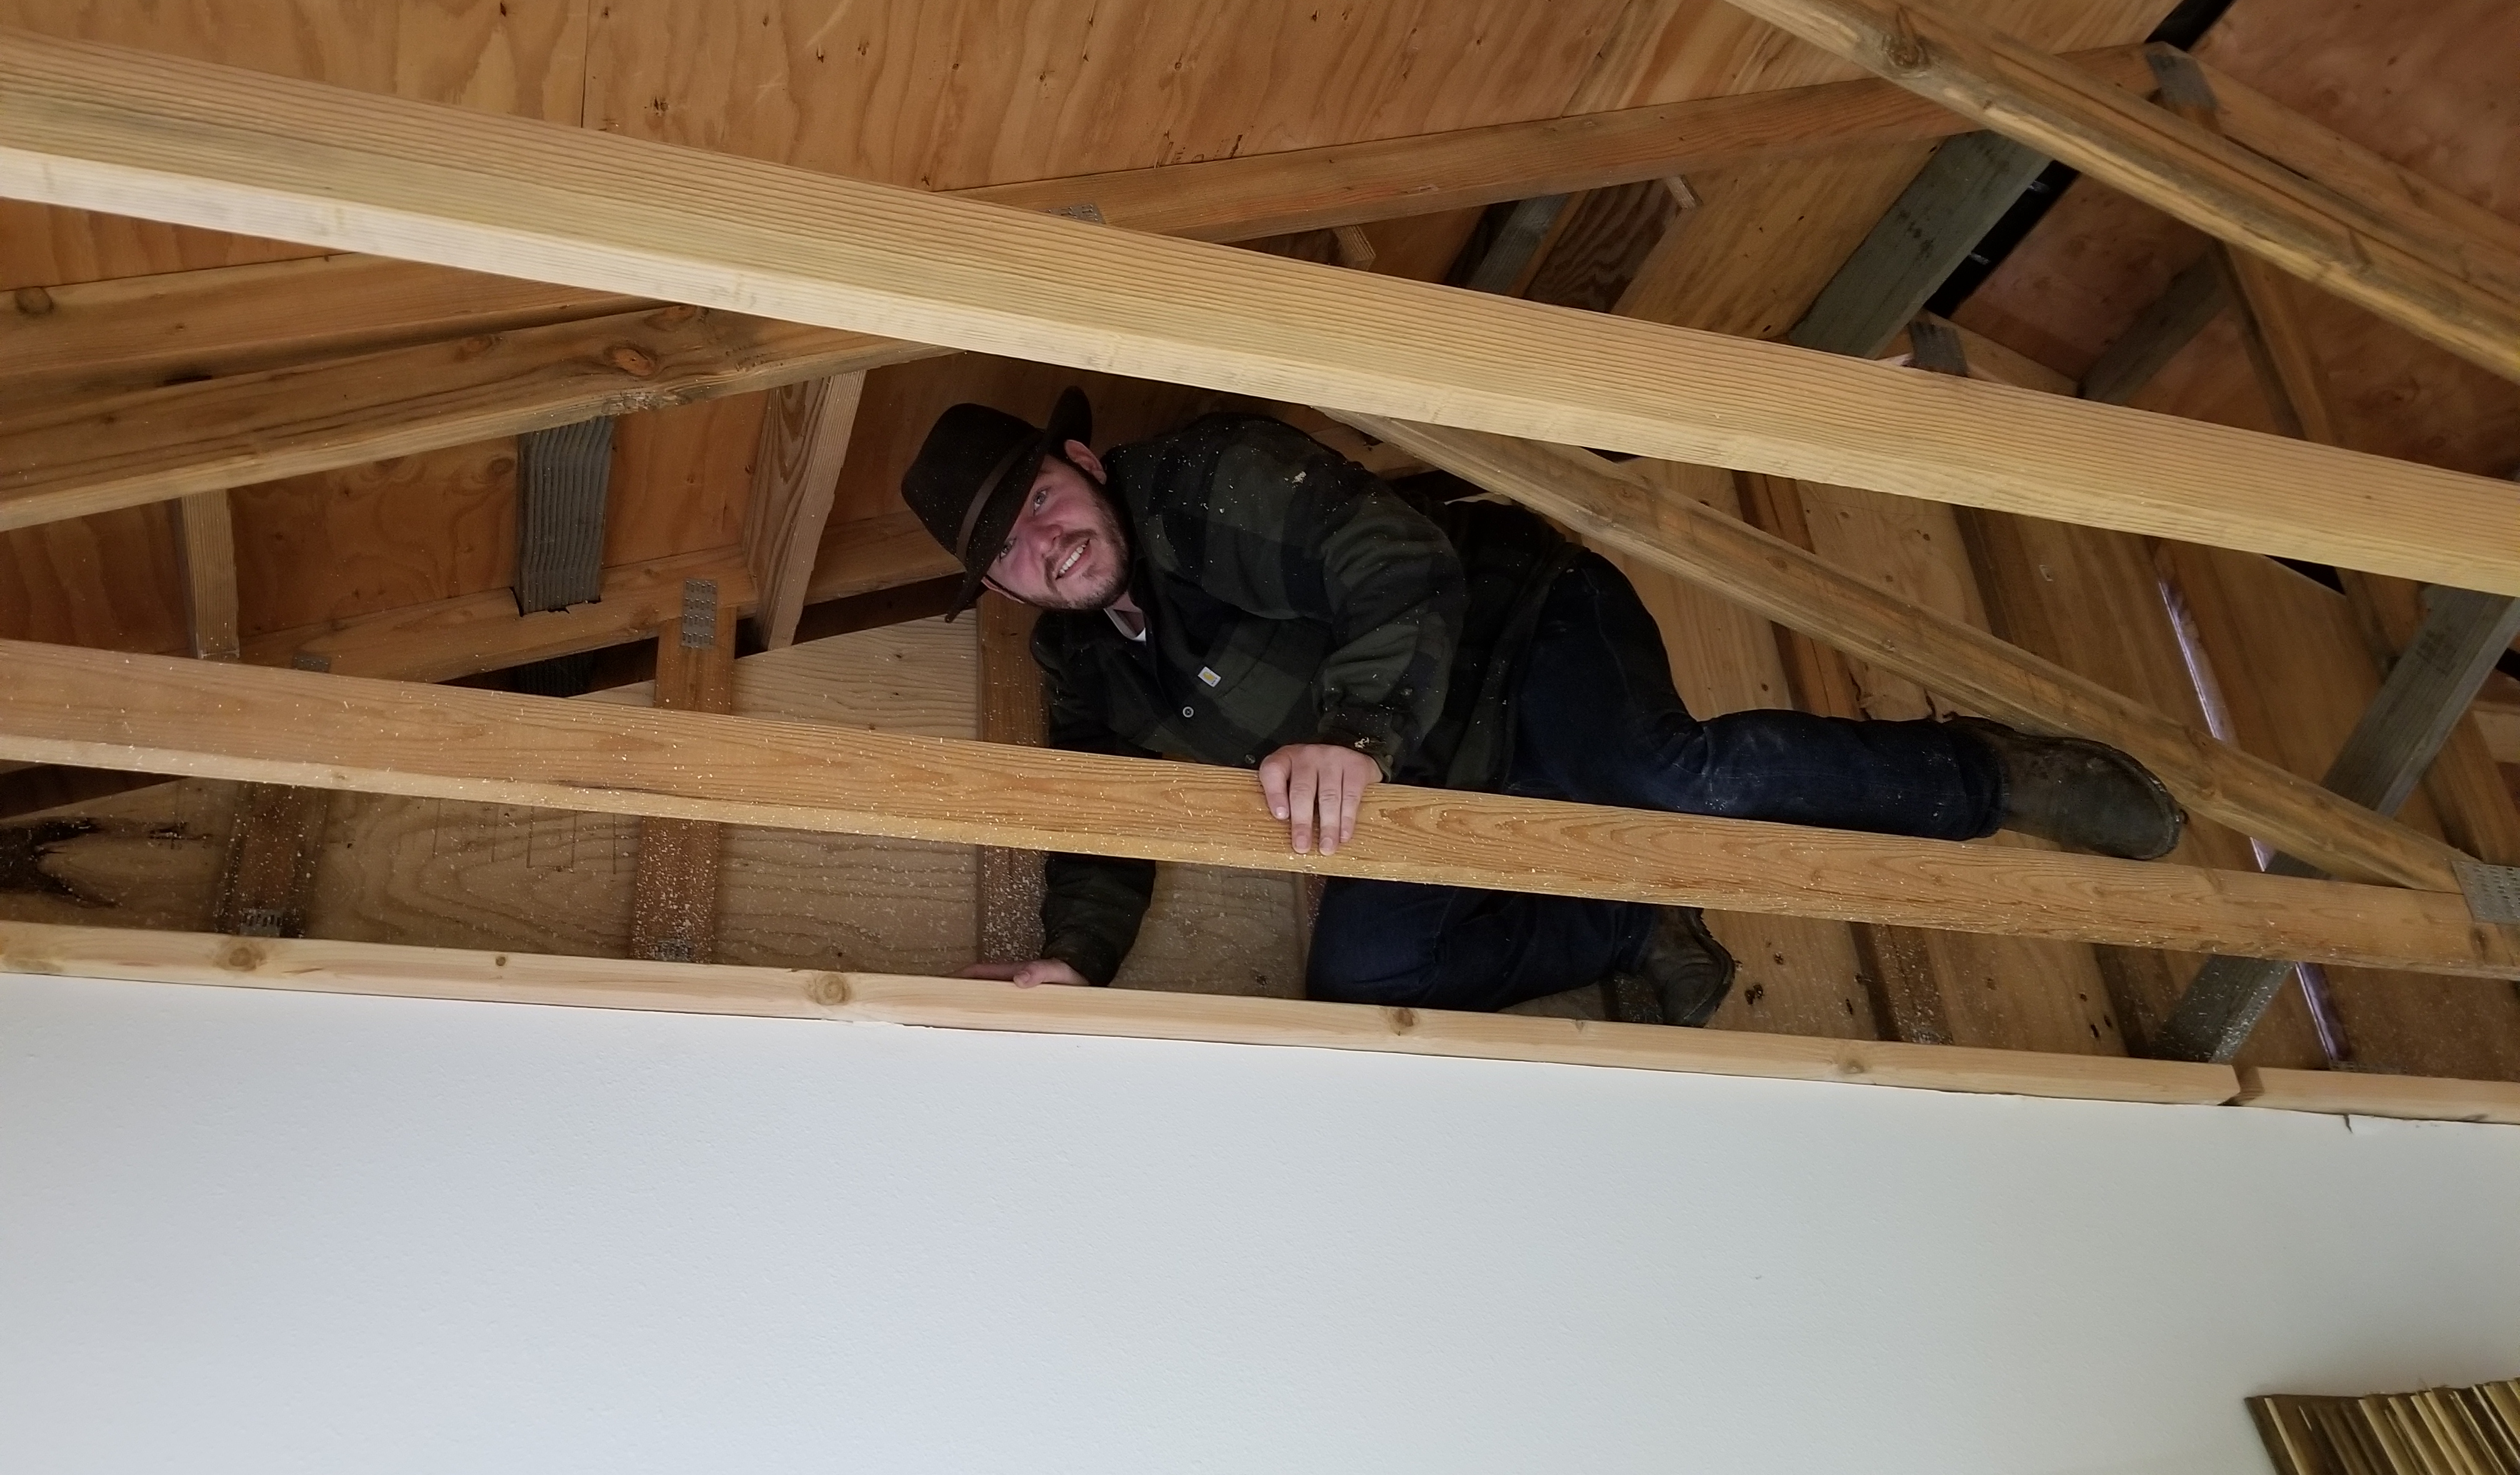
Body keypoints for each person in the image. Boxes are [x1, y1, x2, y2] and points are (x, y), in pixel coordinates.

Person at [900, 390, 2182, 1023]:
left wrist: (1351, 736)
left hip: (1518, 629)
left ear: (1083, 462)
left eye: (1042, 501)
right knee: (1368, 981)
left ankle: (1993, 778)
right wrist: (1077, 962)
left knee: (1667, 781)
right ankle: (1627, 925)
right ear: (999, 588)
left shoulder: (1200, 479)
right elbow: (1108, 824)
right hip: (1428, 780)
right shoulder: (1082, 667)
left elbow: (1393, 563)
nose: (1044, 545)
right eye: (1007, 550)